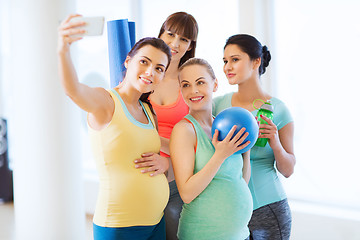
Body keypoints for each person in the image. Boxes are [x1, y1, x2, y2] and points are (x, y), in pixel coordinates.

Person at [57, 14, 172, 240]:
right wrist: (63, 49)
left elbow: (161, 152)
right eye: (144, 62)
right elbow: (73, 90)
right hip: (119, 226)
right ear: (128, 62)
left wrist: (165, 161)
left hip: (156, 221)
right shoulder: (105, 101)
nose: (151, 72)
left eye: (159, 68)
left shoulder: (148, 110)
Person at [213, 34, 296, 240]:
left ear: (256, 61)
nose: (227, 67)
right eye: (225, 61)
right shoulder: (217, 106)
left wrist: (275, 143)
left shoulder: (278, 109)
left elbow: (288, 170)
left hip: (267, 209)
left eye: (235, 59)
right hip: (230, 210)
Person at [170, 58, 253, 240]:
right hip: (204, 234)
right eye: (186, 85)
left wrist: (245, 151)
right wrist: (220, 155)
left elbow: (240, 181)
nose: (193, 91)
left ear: (215, 84)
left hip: (240, 235)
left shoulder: (225, 125)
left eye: (200, 82)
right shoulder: (185, 130)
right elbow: (186, 193)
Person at [133, 12, 198, 240]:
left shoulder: (190, 84)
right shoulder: (143, 78)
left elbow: (197, 142)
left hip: (174, 181)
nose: (175, 43)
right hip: (139, 176)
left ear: (190, 46)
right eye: (170, 34)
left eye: (184, 39)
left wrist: (168, 159)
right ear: (161, 33)